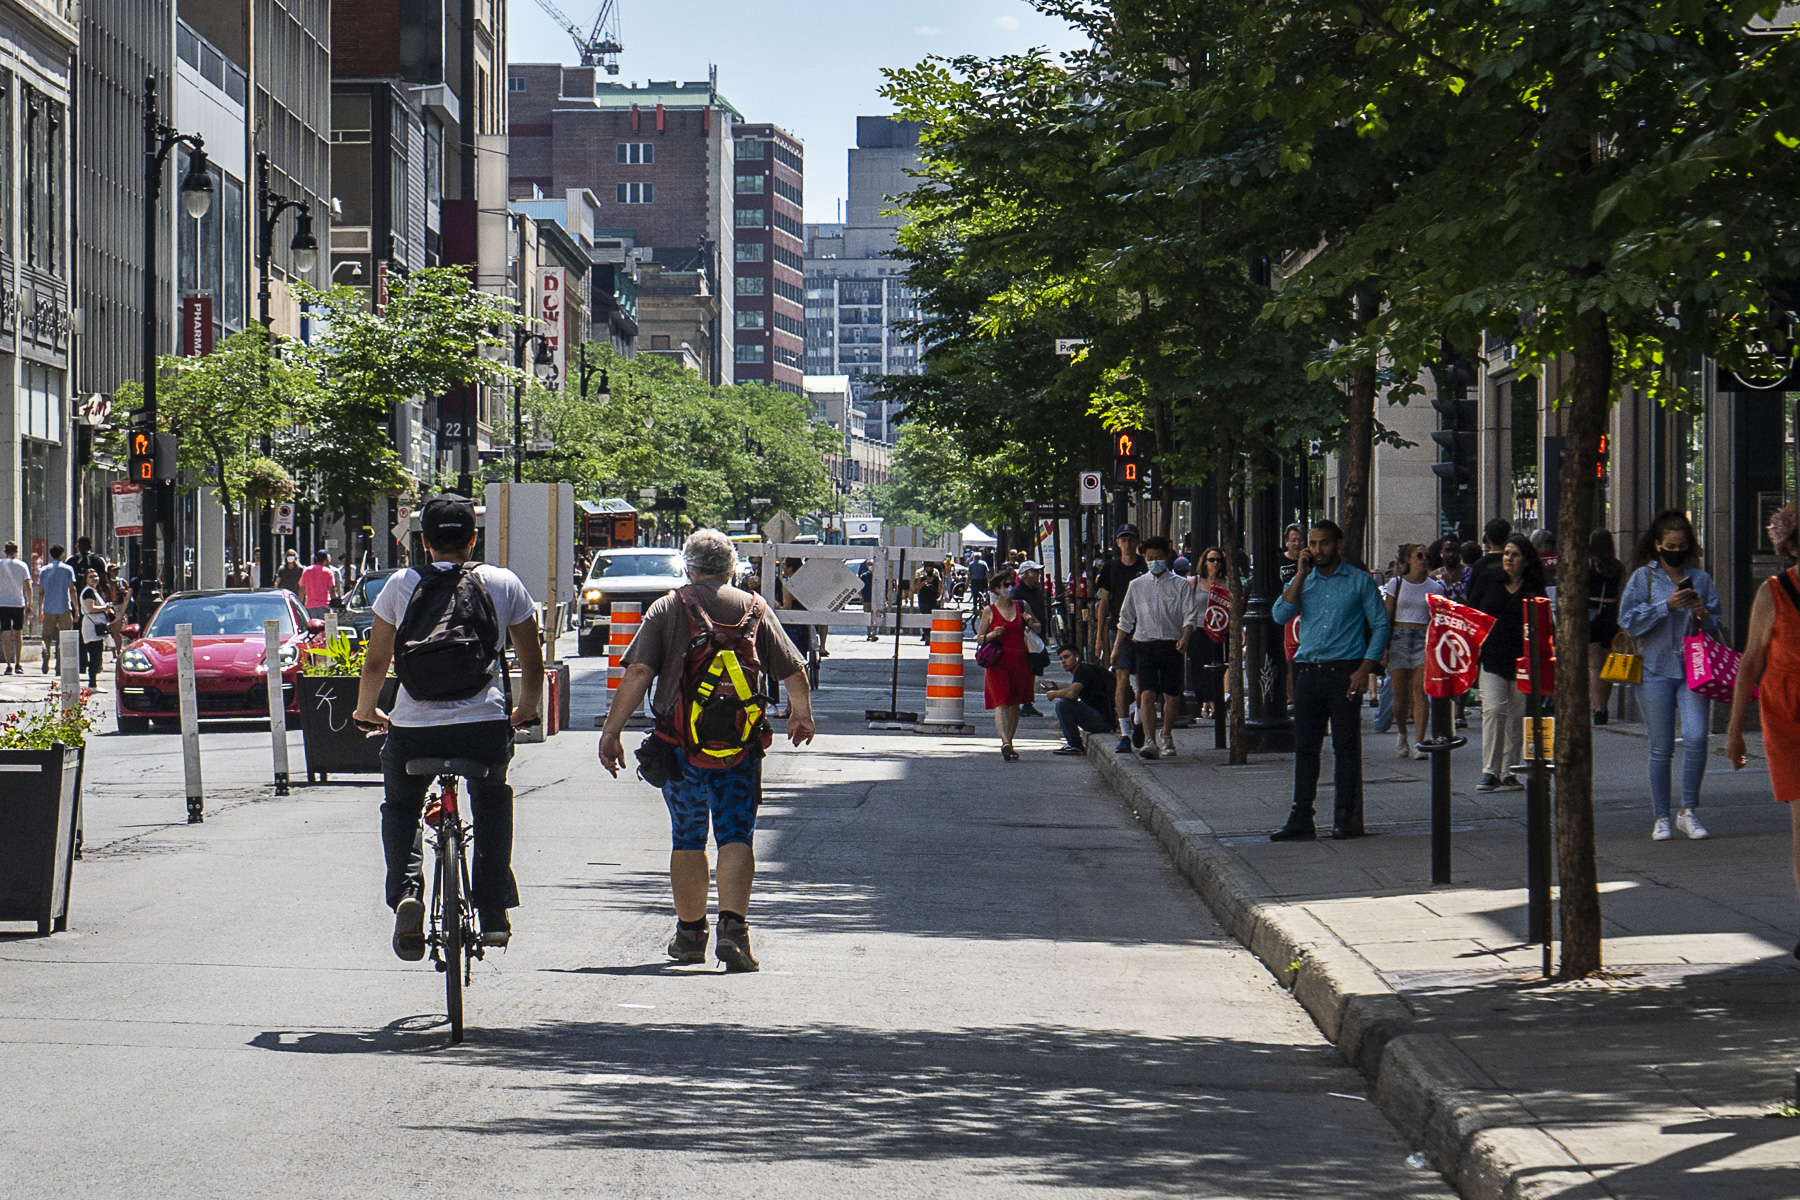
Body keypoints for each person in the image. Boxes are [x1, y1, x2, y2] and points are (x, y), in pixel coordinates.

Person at [599, 529, 814, 972]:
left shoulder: (667, 607)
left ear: (688, 568)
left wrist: (611, 731)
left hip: (679, 746)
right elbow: (793, 669)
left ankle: (691, 936)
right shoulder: (754, 608)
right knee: (736, 834)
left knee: (688, 837)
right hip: (739, 748)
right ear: (731, 567)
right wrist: (801, 714)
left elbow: (639, 670)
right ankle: (734, 933)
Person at [353, 495, 543, 957]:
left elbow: (378, 660)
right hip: (483, 725)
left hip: (414, 727)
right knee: (493, 797)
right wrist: (525, 711)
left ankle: (407, 894)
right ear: (474, 538)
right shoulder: (502, 582)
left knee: (401, 807)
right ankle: (494, 910)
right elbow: (532, 664)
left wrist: (366, 710)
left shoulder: (399, 585)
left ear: (424, 542)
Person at [1269, 521, 1390, 840]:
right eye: (1313, 543)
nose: (1318, 549)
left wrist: (1365, 668)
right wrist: (1299, 573)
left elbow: (1380, 625)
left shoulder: (1358, 581)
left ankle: (1345, 817)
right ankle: (1301, 817)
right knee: (1305, 749)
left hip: (1344, 672)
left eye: (1324, 543)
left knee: (1345, 748)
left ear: (1338, 543)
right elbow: (1280, 615)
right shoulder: (1304, 580)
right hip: (1307, 671)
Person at [1620, 509, 1721, 840]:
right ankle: (1661, 816)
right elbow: (1628, 620)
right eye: (1669, 545)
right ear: (1657, 544)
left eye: (1681, 545)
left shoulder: (1701, 579)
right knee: (1660, 747)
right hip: (1653, 668)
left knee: (1695, 737)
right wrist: (1667, 606)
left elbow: (1717, 625)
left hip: (1694, 670)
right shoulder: (1643, 578)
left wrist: (1703, 613)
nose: (1674, 551)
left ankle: (1688, 810)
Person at [1728, 504, 1800, 935]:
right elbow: (1751, 662)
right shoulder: (1772, 593)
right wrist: (1735, 730)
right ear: (1790, 546)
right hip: (1786, 712)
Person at [1467, 534, 1547, 792]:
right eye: (1506, 553)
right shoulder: (1488, 579)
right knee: (1493, 709)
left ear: (1526, 561)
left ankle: (1509, 771)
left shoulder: (1534, 586)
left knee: (1515, 714)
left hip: (1523, 659)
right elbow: (1473, 611)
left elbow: (1544, 620)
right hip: (1491, 656)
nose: (1509, 559)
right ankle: (1489, 770)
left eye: (1515, 555)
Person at [1111, 535, 1197, 760]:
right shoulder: (1137, 586)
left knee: (1171, 695)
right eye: (1150, 558)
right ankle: (1149, 740)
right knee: (1146, 693)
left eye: (1158, 558)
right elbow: (1126, 619)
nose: (1154, 562)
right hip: (1144, 643)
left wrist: (1185, 637)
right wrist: (1117, 646)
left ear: (1167, 557)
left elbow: (1190, 615)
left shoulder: (1180, 585)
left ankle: (1166, 734)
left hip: (1171, 644)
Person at [1382, 543, 1447, 759]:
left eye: (1427, 556)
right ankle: (1402, 733)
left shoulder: (1436, 588)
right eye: (1419, 555)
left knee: (1420, 693)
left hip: (1423, 638)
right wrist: (1384, 647)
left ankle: (1419, 742)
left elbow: (1439, 618)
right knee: (1400, 700)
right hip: (1399, 637)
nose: (1424, 559)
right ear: (1408, 559)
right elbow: (1386, 617)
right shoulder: (1396, 583)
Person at [1093, 524, 1148, 751]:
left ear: (1137, 541)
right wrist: (1099, 636)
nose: (1127, 543)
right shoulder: (1111, 567)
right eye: (1123, 539)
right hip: (1119, 629)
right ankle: (1124, 732)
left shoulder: (1145, 565)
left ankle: (1138, 719)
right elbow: (1104, 602)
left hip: (1145, 628)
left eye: (1131, 539)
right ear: (1117, 543)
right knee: (1121, 679)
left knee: (1143, 681)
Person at [977, 565, 1039, 761]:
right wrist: (991, 635)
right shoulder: (989, 611)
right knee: (1001, 702)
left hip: (1020, 661)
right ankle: (1004, 741)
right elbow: (979, 638)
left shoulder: (1022, 605)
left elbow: (1038, 626)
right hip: (998, 662)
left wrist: (1030, 622)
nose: (1010, 587)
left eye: (1013, 584)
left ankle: (1010, 742)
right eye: (1006, 585)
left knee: (1015, 703)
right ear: (997, 588)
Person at [1045, 645, 1116, 755]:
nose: (1063, 661)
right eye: (1061, 659)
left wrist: (1054, 694)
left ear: (1077, 657)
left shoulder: (1083, 670)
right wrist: (1059, 691)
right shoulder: (1084, 670)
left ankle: (1074, 744)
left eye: (1066, 657)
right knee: (1065, 703)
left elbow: (1072, 694)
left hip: (1103, 721)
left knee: (1063, 704)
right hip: (1104, 719)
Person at [1586, 529, 1625, 724]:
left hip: (1591, 613)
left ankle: (1598, 709)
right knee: (1607, 664)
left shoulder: (1588, 564)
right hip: (1610, 614)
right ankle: (1604, 705)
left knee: (1594, 665)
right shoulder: (1618, 567)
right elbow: (1620, 593)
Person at [1186, 547, 1230, 719]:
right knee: (1199, 668)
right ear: (1204, 562)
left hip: (1220, 631)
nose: (1215, 563)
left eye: (1218, 560)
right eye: (1211, 560)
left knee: (1221, 666)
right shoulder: (1193, 582)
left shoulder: (1227, 582)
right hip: (1199, 630)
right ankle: (1206, 702)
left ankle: (1218, 701)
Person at [1014, 561, 1051, 713]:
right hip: (1025, 636)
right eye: (1035, 572)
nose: (1038, 575)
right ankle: (1021, 702)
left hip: (1037, 635)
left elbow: (1042, 613)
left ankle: (1027, 702)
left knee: (1034, 669)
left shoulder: (1036, 590)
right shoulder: (1018, 593)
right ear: (1027, 574)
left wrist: (1045, 633)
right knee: (1025, 670)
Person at [35, 544, 76, 676]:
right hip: (64, 607)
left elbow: (41, 592)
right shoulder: (68, 569)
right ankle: (59, 667)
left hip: (49, 608)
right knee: (64, 638)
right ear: (62, 554)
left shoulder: (44, 571)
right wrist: (77, 609)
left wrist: (39, 609)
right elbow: (72, 589)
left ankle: (45, 651)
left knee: (46, 636)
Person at [76, 568, 111, 688]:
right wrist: (104, 608)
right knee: (94, 654)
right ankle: (92, 682)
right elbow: (90, 608)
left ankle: (93, 681)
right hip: (92, 626)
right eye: (91, 576)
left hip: (97, 626)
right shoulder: (88, 592)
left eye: (96, 576)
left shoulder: (94, 591)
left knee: (97, 654)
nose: (94, 578)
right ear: (86, 579)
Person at [0, 541, 29, 674]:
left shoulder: (0, 564)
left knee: (5, 633)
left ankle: (8, 665)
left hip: (3, 603)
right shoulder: (22, 565)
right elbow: (28, 585)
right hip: (18, 602)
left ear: (5, 551)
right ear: (16, 551)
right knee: (18, 633)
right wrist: (30, 603)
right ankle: (18, 663)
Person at [1467, 518, 1512, 596]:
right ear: (1508, 537)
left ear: (1487, 538)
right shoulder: (1513, 562)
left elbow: (1471, 593)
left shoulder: (1479, 565)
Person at [298, 550, 338, 617]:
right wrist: (335, 606)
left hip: (310, 606)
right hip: (325, 606)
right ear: (326, 560)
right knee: (325, 626)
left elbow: (302, 589)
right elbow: (332, 591)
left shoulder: (307, 571)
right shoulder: (328, 572)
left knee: (311, 626)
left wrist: (300, 603)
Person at [914, 560, 942, 643]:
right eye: (927, 567)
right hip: (923, 599)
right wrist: (923, 583)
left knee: (933, 617)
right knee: (924, 616)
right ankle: (926, 636)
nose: (929, 569)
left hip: (933, 600)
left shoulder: (936, 576)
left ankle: (932, 635)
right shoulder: (920, 575)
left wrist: (939, 598)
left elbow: (940, 588)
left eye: (930, 566)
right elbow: (916, 589)